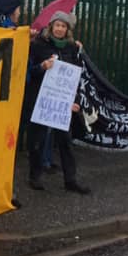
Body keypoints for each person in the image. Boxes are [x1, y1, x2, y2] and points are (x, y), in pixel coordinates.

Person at [25, 10, 90, 195]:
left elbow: (76, 77)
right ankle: (34, 177)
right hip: (41, 101)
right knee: (37, 140)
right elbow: (28, 71)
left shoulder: (71, 48)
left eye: (63, 26)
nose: (60, 29)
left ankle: (71, 180)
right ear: (51, 26)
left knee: (65, 142)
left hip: (62, 105)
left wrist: (74, 101)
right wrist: (42, 67)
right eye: (57, 25)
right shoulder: (38, 45)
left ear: (67, 29)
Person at [0, 0, 25, 208]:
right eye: (17, 9)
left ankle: (2, 191)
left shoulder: (15, 35)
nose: (20, 13)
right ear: (7, 13)